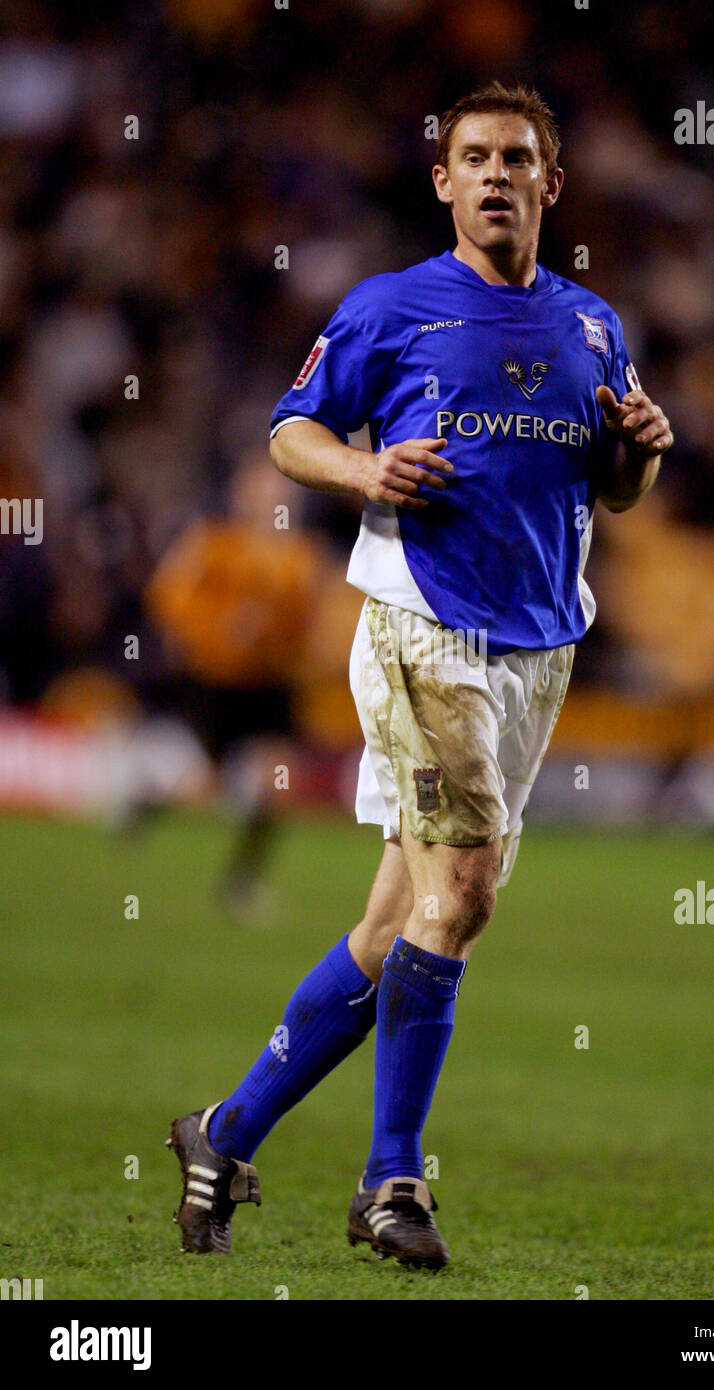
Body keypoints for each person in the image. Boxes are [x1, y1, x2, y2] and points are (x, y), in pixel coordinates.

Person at [167, 81, 673, 1268]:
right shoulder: (389, 309)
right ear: (442, 182)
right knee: (469, 894)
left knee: (400, 919)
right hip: (421, 628)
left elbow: (609, 490)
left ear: (551, 183)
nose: (496, 175)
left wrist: (641, 458)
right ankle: (390, 1180)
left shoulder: (591, 326)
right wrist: (364, 468)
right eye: (474, 158)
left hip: (538, 644)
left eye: (518, 158)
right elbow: (289, 432)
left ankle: (224, 1131)